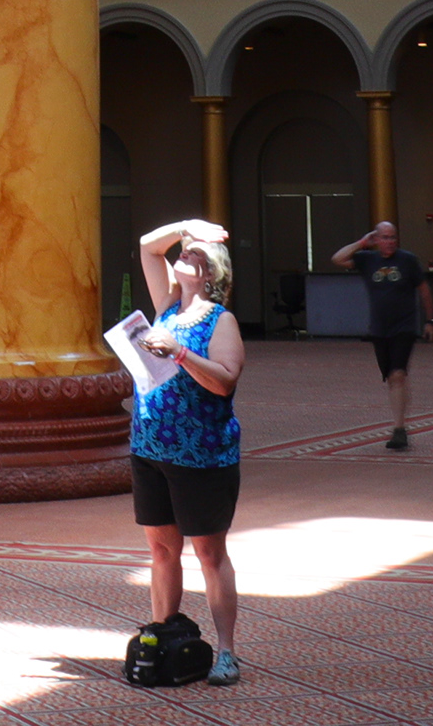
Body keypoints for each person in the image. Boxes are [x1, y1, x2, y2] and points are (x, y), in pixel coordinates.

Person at [130, 216, 247, 685]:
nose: (184, 255)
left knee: (209, 554)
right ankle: (165, 633)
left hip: (201, 454)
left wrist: (179, 353)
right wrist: (187, 226)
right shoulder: (166, 307)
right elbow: (146, 246)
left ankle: (227, 652)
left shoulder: (222, 320)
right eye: (185, 251)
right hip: (151, 447)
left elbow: (225, 380)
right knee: (161, 551)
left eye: (194, 255)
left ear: (211, 274)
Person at [331, 219, 433, 449]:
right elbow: (337, 259)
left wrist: (430, 321)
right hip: (379, 329)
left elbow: (424, 290)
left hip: (404, 327)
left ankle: (399, 429)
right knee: (391, 376)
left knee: (398, 374)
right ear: (376, 240)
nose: (389, 242)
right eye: (384, 237)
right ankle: (400, 423)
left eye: (392, 237)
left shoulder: (408, 260)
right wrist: (361, 243)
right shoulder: (368, 259)